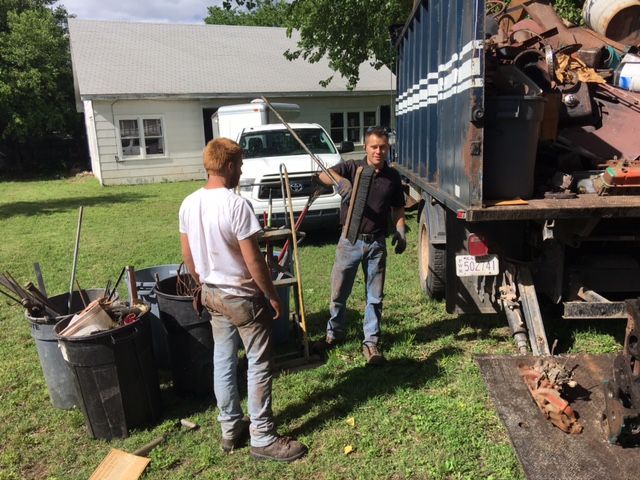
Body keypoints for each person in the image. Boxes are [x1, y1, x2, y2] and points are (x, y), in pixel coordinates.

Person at [179, 138, 307, 462]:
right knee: (259, 363)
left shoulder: (188, 203)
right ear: (229, 166)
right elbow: (254, 261)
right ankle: (262, 436)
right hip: (241, 297)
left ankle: (230, 428)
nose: (241, 171)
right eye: (240, 165)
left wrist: (202, 285)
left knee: (223, 359)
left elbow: (188, 256)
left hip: (211, 293)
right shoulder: (236, 205)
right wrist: (271, 295)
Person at [315, 127, 406, 365]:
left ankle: (371, 342)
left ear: (388, 148)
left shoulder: (392, 177)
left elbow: (398, 208)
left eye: (383, 147)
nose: (378, 151)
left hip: (376, 243)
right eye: (374, 147)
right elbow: (322, 175)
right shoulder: (351, 167)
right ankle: (334, 334)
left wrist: (401, 231)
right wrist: (341, 182)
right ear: (365, 147)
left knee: (375, 296)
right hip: (350, 241)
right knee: (338, 293)